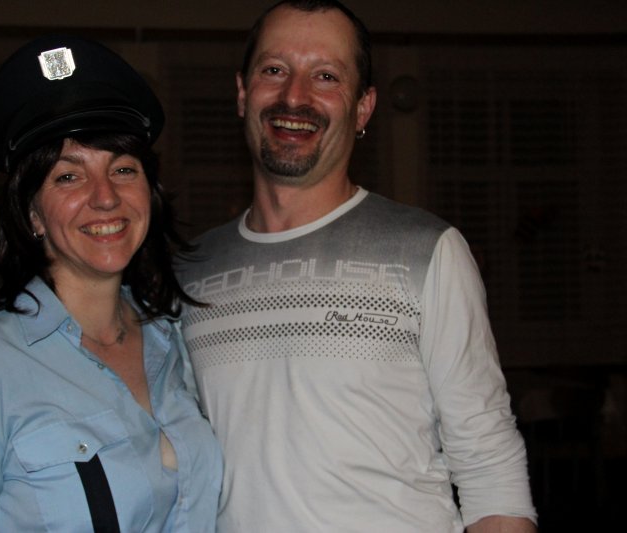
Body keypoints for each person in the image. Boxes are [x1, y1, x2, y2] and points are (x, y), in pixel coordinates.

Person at [176, 1, 537, 532]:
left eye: (326, 76)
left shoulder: (426, 252)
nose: (294, 96)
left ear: (363, 108)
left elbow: (491, 469)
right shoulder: (188, 272)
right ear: (242, 93)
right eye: (274, 70)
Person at [0, 34, 222, 532]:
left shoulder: (176, 341)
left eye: (123, 169)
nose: (105, 197)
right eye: (69, 176)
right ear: (32, 214)